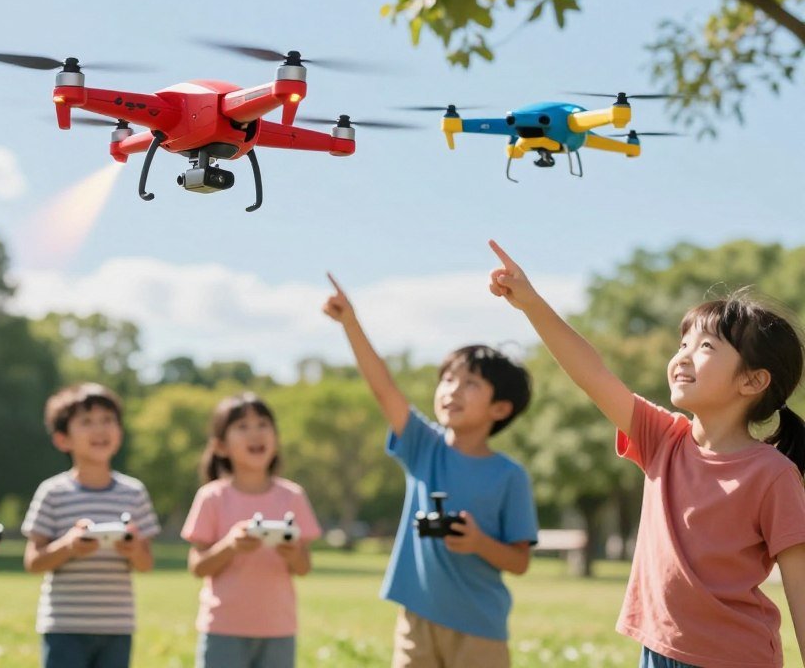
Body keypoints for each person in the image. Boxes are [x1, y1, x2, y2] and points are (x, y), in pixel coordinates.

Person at [487, 239, 805, 667]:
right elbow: (592, 374)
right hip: (658, 650)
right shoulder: (662, 439)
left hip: (733, 657)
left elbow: (798, 583)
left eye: (706, 347)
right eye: (683, 344)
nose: (683, 357)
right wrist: (530, 303)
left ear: (753, 381)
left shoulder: (773, 474)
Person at [323, 274, 538, 668]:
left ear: (501, 409)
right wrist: (351, 323)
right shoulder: (424, 446)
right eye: (448, 379)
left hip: (480, 629)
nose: (451, 390)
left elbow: (519, 562)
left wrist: (477, 542)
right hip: (416, 618)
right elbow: (384, 388)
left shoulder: (510, 476)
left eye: (470, 383)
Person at [21, 382, 160, 668]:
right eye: (86, 422)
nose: (100, 430)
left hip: (117, 627)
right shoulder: (53, 492)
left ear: (119, 433)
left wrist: (132, 549)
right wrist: (68, 546)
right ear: (63, 439)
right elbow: (33, 561)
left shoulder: (134, 493)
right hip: (64, 627)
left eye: (108, 420)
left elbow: (146, 564)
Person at [181, 393, 321, 668]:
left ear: (276, 438)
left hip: (278, 628)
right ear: (220, 446)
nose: (255, 434)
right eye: (242, 427)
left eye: (263, 425)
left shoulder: (292, 496)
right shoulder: (212, 497)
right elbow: (197, 566)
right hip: (223, 627)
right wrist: (230, 545)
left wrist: (291, 552)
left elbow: (303, 568)